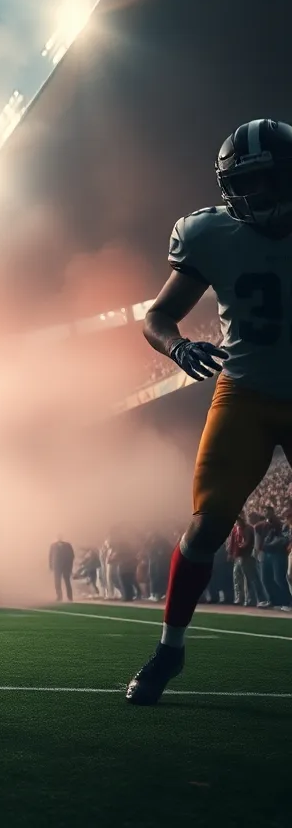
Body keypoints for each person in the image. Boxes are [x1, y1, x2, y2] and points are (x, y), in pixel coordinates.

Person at [127, 119, 292, 704]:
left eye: (266, 182)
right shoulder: (209, 234)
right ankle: (170, 650)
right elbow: (157, 316)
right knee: (207, 526)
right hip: (243, 392)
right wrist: (177, 347)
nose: (254, 198)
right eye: (241, 186)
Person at [49, 535, 75, 602]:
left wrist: (70, 566)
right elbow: (50, 556)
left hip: (66, 566)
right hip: (57, 566)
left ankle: (70, 597)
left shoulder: (67, 545)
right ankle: (59, 596)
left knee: (67, 581)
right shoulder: (53, 546)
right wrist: (51, 566)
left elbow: (72, 555)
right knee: (57, 582)